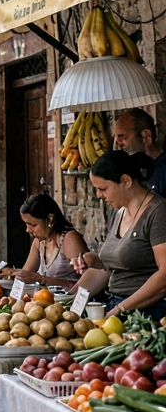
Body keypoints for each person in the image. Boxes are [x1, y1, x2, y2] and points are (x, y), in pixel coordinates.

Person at [71, 151, 166, 321]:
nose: (99, 195)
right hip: (114, 304)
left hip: (146, 314)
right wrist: (69, 299)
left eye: (103, 188)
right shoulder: (119, 213)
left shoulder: (158, 213)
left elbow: (164, 273)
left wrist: (121, 308)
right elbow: (105, 269)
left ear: (126, 181)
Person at [10, 194, 86, 290]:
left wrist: (40, 279)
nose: (27, 230)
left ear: (50, 219)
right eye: (26, 224)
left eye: (32, 225)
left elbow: (87, 283)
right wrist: (11, 274)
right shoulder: (39, 242)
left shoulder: (69, 239)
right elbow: (24, 276)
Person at [113, 109, 166, 196]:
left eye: (122, 137)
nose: (118, 143)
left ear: (146, 136)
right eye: (116, 138)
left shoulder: (163, 169)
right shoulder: (131, 170)